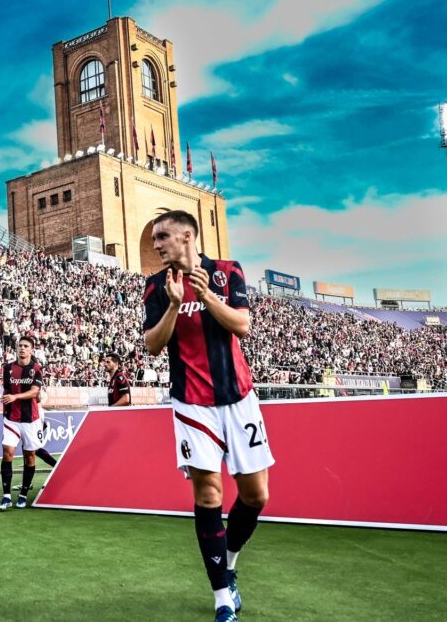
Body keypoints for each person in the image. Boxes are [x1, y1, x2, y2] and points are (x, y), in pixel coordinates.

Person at [142, 210, 273, 622]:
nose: (157, 244)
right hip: (191, 403)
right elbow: (152, 345)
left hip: (238, 399)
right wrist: (174, 306)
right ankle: (221, 597)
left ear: (187, 235)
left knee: (256, 495)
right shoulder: (156, 287)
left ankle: (229, 563)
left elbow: (244, 326)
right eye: (154, 238)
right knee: (209, 494)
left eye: (163, 236)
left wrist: (208, 297)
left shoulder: (227, 272)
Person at [0, 335, 45, 511]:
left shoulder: (36, 368)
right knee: (7, 453)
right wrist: (4, 410)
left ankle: (24, 494)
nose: (22, 348)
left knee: (30, 456)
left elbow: (34, 392)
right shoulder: (8, 368)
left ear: (31, 350)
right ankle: (6, 496)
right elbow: (6, 391)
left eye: (25, 346)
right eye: (20, 346)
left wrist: (15, 397)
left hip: (30, 419)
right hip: (11, 419)